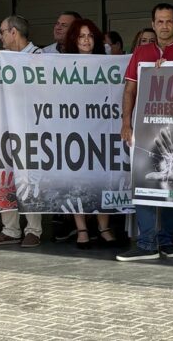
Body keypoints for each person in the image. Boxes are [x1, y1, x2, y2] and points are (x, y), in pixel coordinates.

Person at [116, 3, 173, 262]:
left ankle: (166, 241)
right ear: (153, 24)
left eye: (168, 21)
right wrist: (125, 122)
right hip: (146, 128)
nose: (164, 26)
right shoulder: (141, 52)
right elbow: (130, 90)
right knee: (145, 183)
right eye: (159, 21)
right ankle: (146, 243)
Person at [0, 15, 44, 248]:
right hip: (4, 125)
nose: (0, 36)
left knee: (29, 177)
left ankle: (34, 229)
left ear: (14, 32)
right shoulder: (0, 59)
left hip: (30, 127)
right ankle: (10, 228)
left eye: (2, 31)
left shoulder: (39, 57)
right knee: (5, 175)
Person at [58, 18, 117, 250]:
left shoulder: (107, 63)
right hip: (73, 130)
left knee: (102, 179)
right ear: (74, 39)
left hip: (101, 129)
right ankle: (82, 228)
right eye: (81, 36)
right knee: (77, 181)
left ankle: (103, 228)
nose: (85, 40)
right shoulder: (61, 65)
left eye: (90, 36)